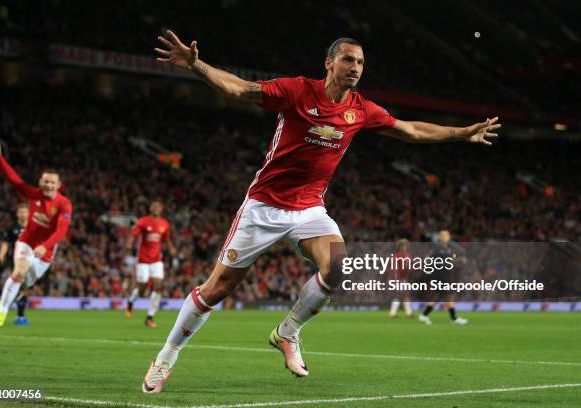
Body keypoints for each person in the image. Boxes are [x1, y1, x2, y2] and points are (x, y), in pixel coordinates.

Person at [143, 31, 499, 392]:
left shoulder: (361, 109)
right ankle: (166, 356)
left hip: (310, 208)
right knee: (217, 289)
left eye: (360, 62)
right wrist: (196, 65)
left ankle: (288, 331)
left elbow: (410, 130)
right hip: (264, 205)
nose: (355, 68)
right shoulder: (297, 91)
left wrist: (460, 133)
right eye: (347, 59)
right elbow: (241, 89)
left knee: (340, 268)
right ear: (329, 62)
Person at [0, 138, 73, 328]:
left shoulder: (64, 204)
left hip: (46, 251)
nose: (49, 185)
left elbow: (61, 231)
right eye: (46, 181)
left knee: (25, 284)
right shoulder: (33, 194)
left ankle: (3, 303)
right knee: (20, 270)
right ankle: (2, 311)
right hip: (26, 242)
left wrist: (46, 246)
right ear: (41, 182)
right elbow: (13, 179)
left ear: (59, 185)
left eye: (52, 182)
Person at [126, 200, 176, 328]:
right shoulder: (143, 221)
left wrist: (171, 248)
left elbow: (166, 239)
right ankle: (131, 301)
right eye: (153, 206)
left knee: (158, 285)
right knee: (142, 289)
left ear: (161, 209)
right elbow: (133, 234)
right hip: (143, 259)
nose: (155, 208)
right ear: (150, 208)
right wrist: (129, 243)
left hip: (156, 260)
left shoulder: (164, 224)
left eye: (158, 206)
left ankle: (149, 317)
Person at [418, 230, 468, 325]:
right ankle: (453, 318)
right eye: (445, 235)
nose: (447, 237)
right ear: (440, 237)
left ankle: (424, 316)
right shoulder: (437, 248)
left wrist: (459, 260)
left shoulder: (447, 249)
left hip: (446, 275)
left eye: (448, 235)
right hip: (440, 276)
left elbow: (448, 262)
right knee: (447, 297)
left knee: (441, 297)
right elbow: (427, 259)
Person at [0, 203, 30, 325]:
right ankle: (20, 316)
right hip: (16, 261)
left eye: (24, 211)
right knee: (21, 286)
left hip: (31, 260)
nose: (22, 214)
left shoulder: (33, 227)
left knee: (23, 288)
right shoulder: (12, 228)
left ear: (28, 213)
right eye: (20, 212)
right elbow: (5, 242)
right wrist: (1, 254)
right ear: (17, 214)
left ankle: (7, 303)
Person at [388, 239, 413, 318]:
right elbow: (394, 267)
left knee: (402, 295)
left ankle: (395, 313)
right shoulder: (400, 255)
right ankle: (405, 313)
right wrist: (395, 278)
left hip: (403, 278)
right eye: (403, 245)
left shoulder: (404, 255)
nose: (404, 247)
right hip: (399, 278)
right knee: (402, 295)